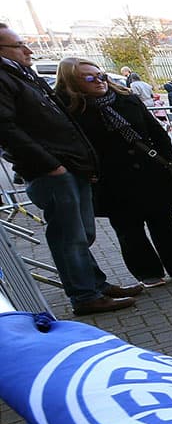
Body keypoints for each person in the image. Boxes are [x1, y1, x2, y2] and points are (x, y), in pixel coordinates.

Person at [0, 25, 142, 315]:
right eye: (19, 45)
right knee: (69, 236)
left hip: (69, 166)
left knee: (81, 233)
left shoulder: (23, 75)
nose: (28, 50)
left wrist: (82, 163)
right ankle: (84, 295)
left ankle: (95, 285)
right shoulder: (5, 79)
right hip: (51, 170)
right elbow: (6, 129)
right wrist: (51, 166)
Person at [56, 58, 172, 288]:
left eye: (102, 76)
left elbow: (155, 130)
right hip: (112, 179)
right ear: (71, 82)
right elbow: (73, 146)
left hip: (149, 172)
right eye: (89, 78)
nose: (99, 81)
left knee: (164, 223)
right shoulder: (72, 111)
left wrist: (165, 157)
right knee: (129, 230)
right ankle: (147, 272)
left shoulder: (126, 99)